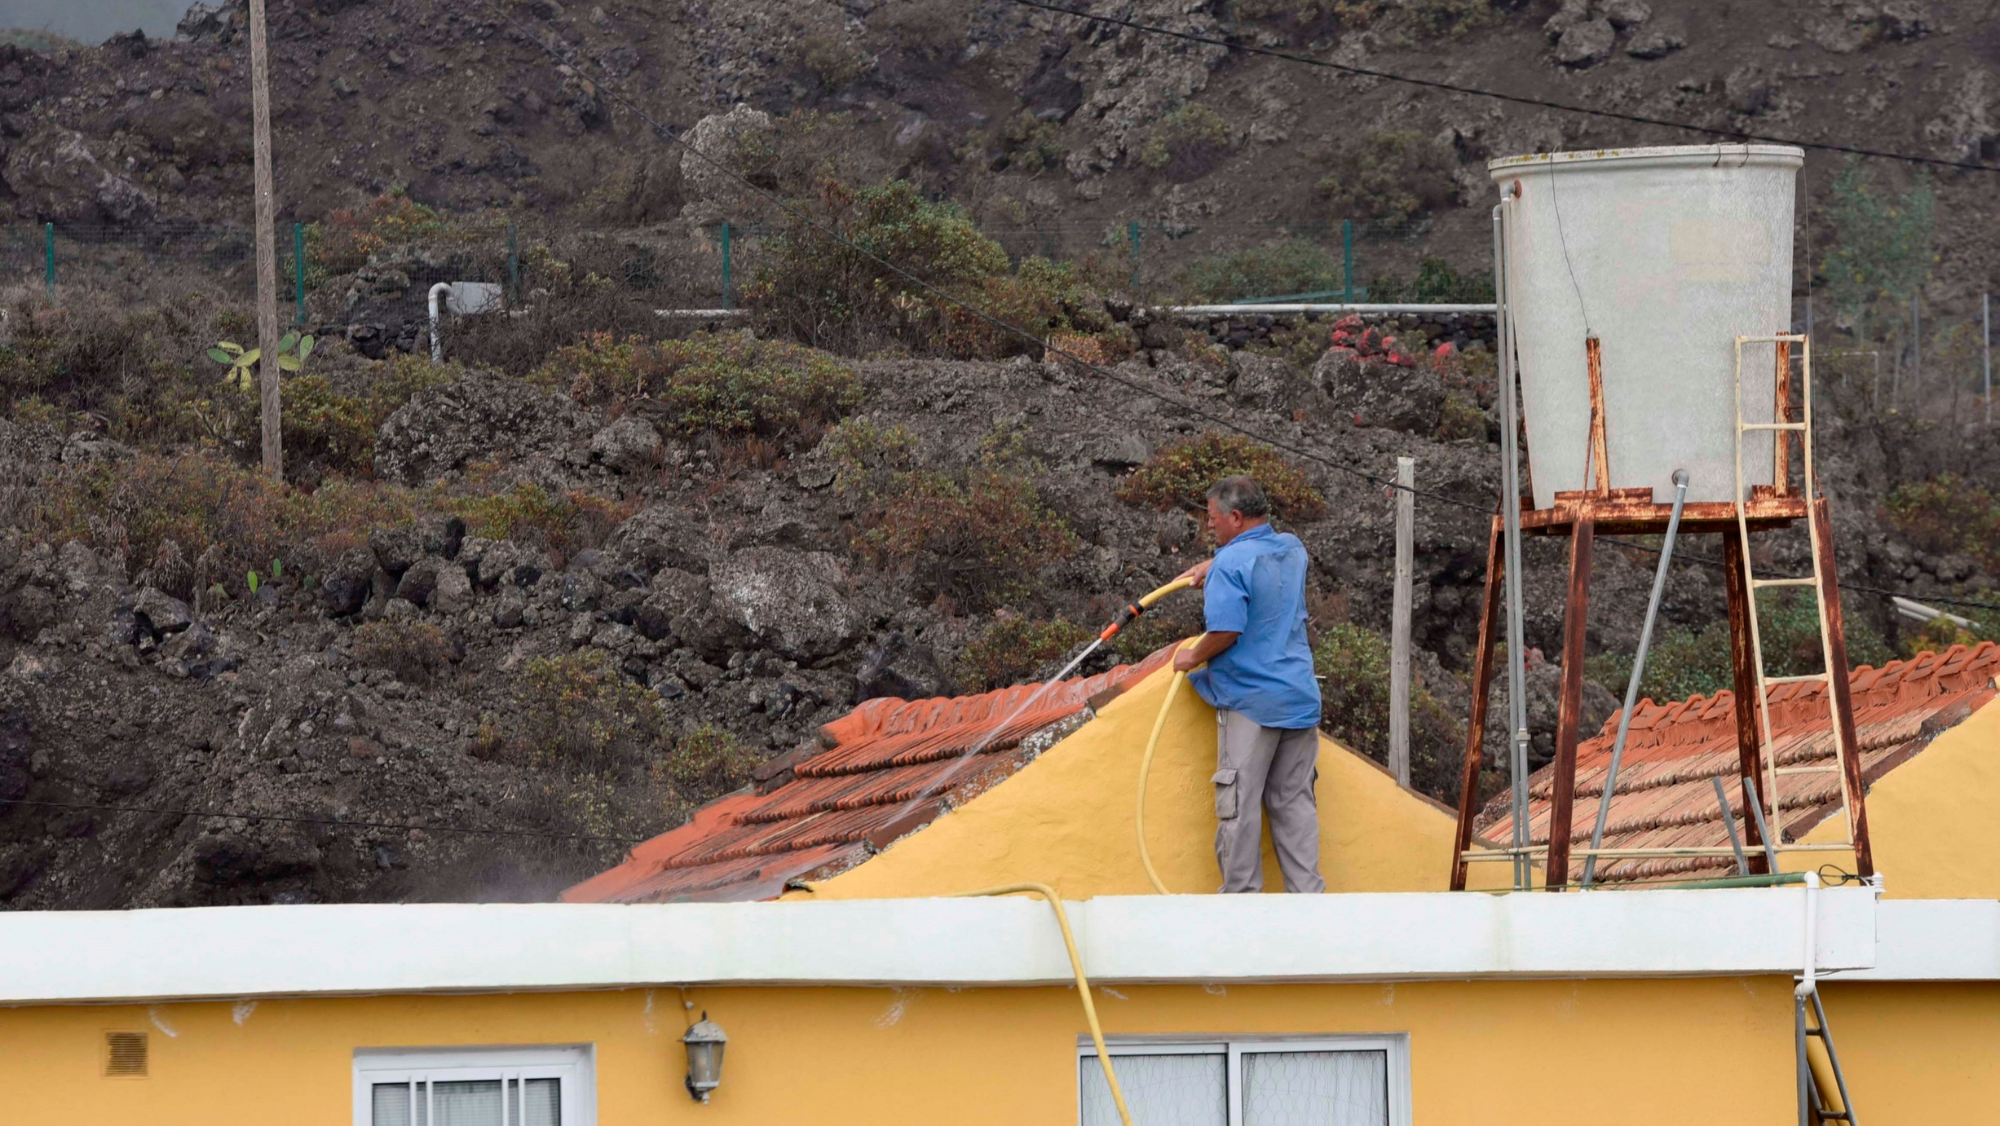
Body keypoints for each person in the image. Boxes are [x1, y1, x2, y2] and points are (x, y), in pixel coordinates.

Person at [1171, 475, 1325, 894]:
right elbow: (1260, 556)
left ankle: (1241, 902)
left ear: (1235, 518)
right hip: (1298, 699)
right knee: (1294, 802)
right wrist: (1215, 562)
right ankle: (1309, 901)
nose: (1208, 526)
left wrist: (1191, 657)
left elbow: (1226, 632)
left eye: (1213, 518)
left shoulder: (1231, 564)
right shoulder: (1293, 549)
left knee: (1237, 805)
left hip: (1251, 704)